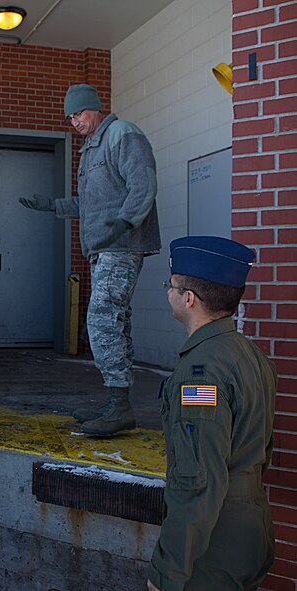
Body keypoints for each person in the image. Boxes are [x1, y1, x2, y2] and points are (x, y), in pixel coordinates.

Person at [18, 83, 161, 436]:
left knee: (100, 321)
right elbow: (91, 206)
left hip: (122, 245)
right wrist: (52, 205)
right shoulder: (91, 150)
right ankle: (118, 402)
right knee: (115, 320)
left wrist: (126, 222)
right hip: (104, 248)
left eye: (78, 113)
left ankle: (118, 404)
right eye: (69, 116)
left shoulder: (121, 134)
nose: (74, 121)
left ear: (95, 108)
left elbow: (143, 184)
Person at [147, 236, 277, 590]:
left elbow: (198, 482)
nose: (168, 292)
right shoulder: (250, 355)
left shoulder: (200, 372)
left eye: (170, 286)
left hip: (214, 546)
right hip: (251, 526)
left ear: (188, 299)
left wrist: (168, 571)